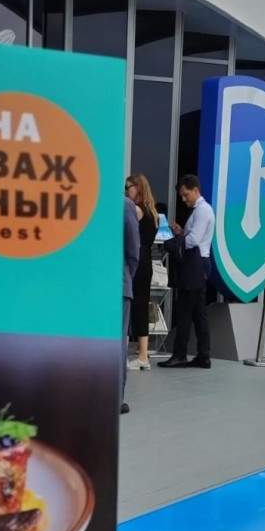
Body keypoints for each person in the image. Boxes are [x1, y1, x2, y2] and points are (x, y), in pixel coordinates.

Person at [158, 175, 215, 369]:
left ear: (195, 190)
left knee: (184, 311)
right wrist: (181, 233)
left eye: (185, 194)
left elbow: (194, 240)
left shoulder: (203, 210)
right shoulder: (201, 210)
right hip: (198, 263)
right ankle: (203, 356)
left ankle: (180, 354)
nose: (183, 199)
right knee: (199, 313)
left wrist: (173, 242)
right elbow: (192, 237)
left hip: (195, 263)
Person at [126, 174, 158, 370]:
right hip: (146, 260)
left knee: (134, 305)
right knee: (141, 305)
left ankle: (142, 356)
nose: (125, 191)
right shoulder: (152, 212)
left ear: (137, 188)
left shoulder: (135, 209)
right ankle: (143, 353)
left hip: (137, 260)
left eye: (128, 187)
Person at [121, 196, 141, 414]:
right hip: (118, 283)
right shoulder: (125, 205)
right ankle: (116, 399)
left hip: (91, 285)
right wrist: (128, 275)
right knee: (118, 343)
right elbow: (134, 249)